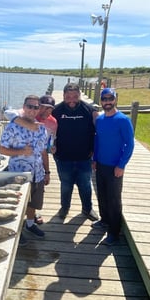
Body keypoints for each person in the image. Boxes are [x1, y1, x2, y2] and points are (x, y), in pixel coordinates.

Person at [0, 95, 50, 245]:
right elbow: (2, 149)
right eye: (29, 106)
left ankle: (30, 224)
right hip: (18, 175)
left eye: (36, 107)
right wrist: (21, 151)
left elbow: (43, 152)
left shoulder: (42, 129)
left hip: (38, 173)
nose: (32, 110)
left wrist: (47, 172)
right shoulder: (12, 127)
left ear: (39, 109)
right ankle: (16, 229)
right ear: (24, 106)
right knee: (17, 204)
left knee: (33, 203)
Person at [92, 88, 134, 245]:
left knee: (114, 199)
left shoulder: (123, 120)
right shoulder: (101, 120)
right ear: (101, 101)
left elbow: (129, 144)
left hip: (115, 167)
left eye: (110, 99)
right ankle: (104, 220)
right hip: (101, 165)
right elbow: (98, 141)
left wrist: (121, 165)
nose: (107, 102)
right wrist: (95, 159)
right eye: (104, 99)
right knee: (102, 195)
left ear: (115, 99)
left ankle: (114, 232)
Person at [52, 82, 99, 221]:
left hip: (84, 157)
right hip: (63, 157)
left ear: (79, 95)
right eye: (68, 97)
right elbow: (48, 131)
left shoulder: (90, 111)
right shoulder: (56, 111)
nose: (71, 100)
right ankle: (64, 207)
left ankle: (87, 208)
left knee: (85, 184)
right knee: (66, 185)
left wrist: (94, 152)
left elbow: (99, 133)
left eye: (75, 96)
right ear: (63, 96)